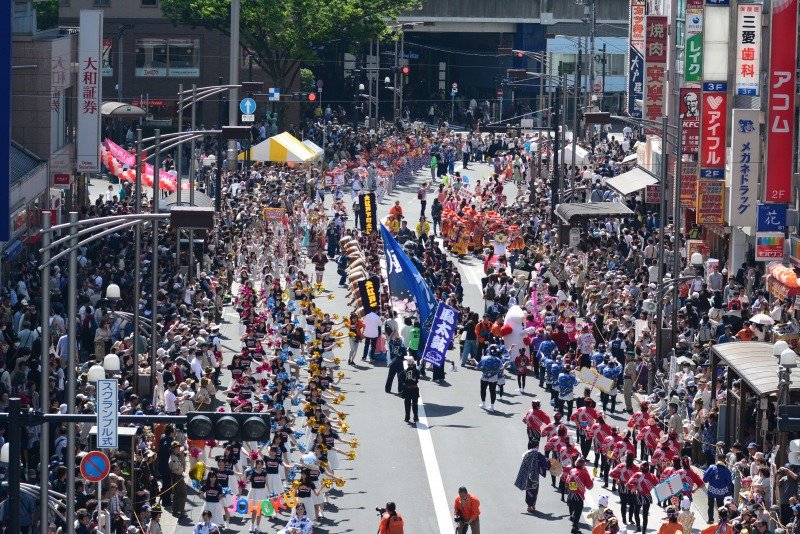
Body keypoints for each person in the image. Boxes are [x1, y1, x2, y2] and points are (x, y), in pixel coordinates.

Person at [514, 440, 549, 513]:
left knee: (528, 490)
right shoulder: (538, 454)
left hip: (527, 475)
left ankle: (529, 506)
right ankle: (532, 506)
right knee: (534, 491)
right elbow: (545, 463)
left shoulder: (526, 454)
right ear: (537, 446)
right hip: (534, 476)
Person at [401, 356, 420, 423]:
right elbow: (418, 378)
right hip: (414, 389)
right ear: (413, 364)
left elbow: (401, 378)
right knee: (415, 404)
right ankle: (416, 417)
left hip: (407, 389)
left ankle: (407, 417)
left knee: (407, 404)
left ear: (407, 364)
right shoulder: (416, 371)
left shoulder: (404, 372)